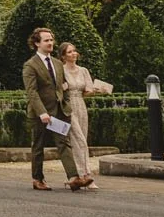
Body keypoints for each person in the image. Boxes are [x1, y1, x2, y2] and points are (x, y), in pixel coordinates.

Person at [24, 28, 87, 191]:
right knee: (38, 147)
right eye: (46, 40)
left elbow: (64, 87)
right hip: (40, 114)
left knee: (64, 143)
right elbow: (32, 92)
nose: (50, 43)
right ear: (37, 43)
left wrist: (65, 104)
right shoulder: (30, 65)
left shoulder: (58, 64)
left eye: (51, 40)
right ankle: (38, 179)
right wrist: (42, 112)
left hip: (59, 112)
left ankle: (73, 178)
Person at [58, 39, 105, 190]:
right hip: (68, 107)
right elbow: (58, 90)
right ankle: (86, 174)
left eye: (74, 51)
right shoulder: (61, 70)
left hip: (81, 106)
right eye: (70, 52)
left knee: (82, 139)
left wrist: (96, 90)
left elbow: (88, 91)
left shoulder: (83, 70)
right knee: (79, 141)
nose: (74, 54)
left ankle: (82, 175)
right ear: (63, 56)